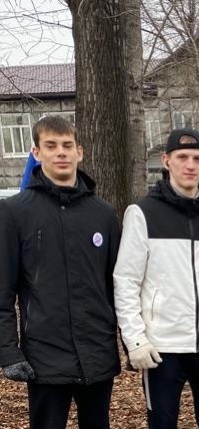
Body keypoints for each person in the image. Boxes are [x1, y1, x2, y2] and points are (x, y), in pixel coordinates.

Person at [113, 129, 199, 429]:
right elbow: (126, 281)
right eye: (182, 157)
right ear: (166, 161)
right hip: (162, 348)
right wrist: (135, 341)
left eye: (197, 158)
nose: (190, 165)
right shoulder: (142, 214)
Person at [0, 116, 121, 429]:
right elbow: (3, 290)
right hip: (44, 359)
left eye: (67, 145)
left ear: (80, 151)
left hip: (97, 355)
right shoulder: (15, 212)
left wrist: (129, 342)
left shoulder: (103, 214)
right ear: (37, 153)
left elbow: (117, 286)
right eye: (51, 146)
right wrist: (9, 353)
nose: (61, 152)